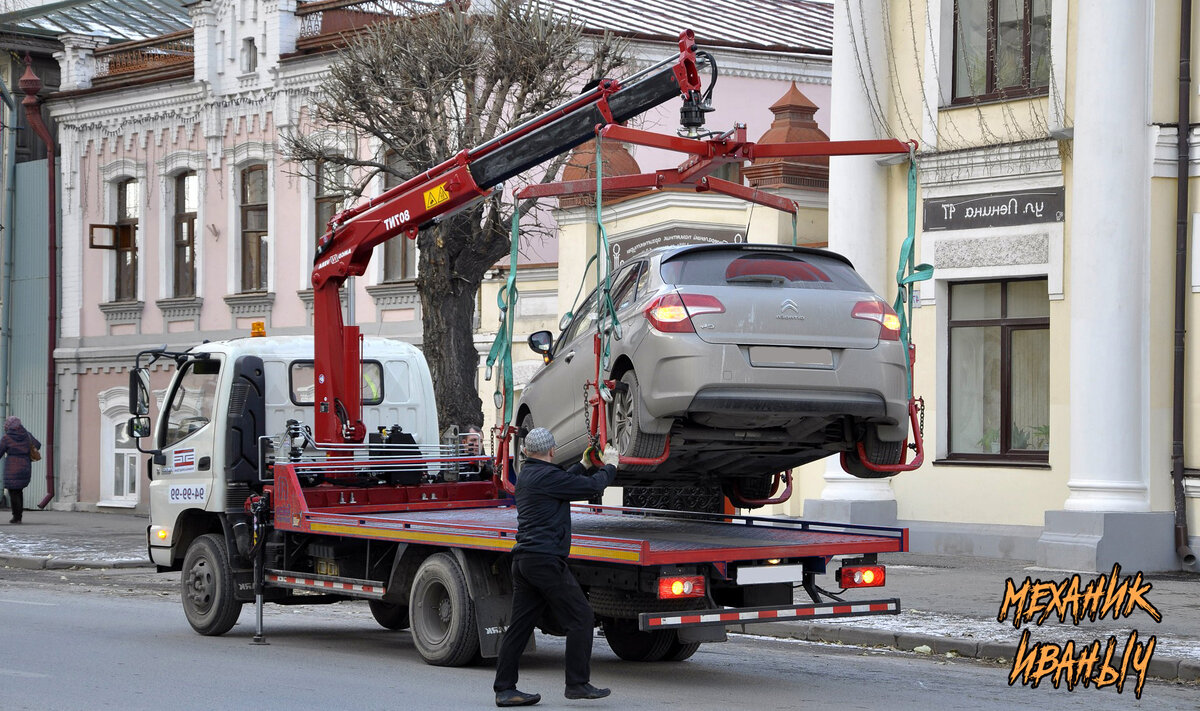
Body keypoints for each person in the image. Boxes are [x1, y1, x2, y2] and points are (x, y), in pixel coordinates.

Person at [493, 428, 619, 708]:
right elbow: (591, 487)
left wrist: (583, 465)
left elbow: (563, 482)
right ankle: (576, 683)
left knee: (520, 627)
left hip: (525, 562)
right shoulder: (547, 477)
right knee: (581, 617)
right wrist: (610, 466)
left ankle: (504, 689)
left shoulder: (528, 474)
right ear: (552, 450)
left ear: (526, 451)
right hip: (545, 561)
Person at [0, 416, 41, 524]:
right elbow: (38, 445)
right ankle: (19, 516)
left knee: (13, 492)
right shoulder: (27, 435)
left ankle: (16, 517)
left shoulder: (7, 438)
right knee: (19, 491)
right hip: (25, 466)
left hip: (12, 468)